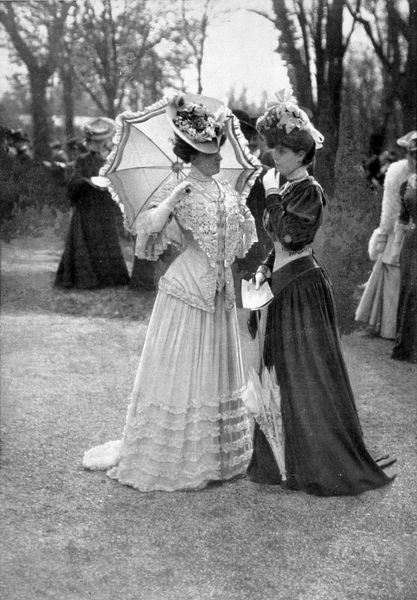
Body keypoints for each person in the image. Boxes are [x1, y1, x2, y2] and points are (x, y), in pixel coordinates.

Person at [83, 94, 258, 492]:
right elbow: (145, 229)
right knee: (182, 371)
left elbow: (244, 234)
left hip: (220, 295)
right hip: (186, 291)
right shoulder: (180, 190)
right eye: (206, 152)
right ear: (190, 154)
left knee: (215, 370)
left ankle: (217, 456)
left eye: (216, 150)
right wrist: (172, 201)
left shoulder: (227, 191)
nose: (215, 157)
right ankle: (180, 455)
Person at [246, 96, 395, 496]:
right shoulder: (288, 184)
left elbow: (294, 235)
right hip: (282, 282)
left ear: (301, 154)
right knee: (281, 371)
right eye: (273, 149)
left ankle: (319, 458)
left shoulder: (308, 189)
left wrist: (273, 196)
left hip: (302, 288)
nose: (273, 156)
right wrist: (263, 267)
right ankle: (284, 459)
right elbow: (278, 243)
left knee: (305, 372)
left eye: (280, 150)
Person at [55, 117, 130, 289]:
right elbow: (73, 183)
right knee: (88, 240)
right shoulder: (82, 160)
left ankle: (109, 279)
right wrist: (87, 182)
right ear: (89, 143)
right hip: (87, 207)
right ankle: (87, 280)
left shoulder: (111, 160)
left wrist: (111, 184)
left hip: (104, 207)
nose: (99, 145)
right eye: (94, 142)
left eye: (102, 142)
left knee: (107, 240)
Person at [355, 131, 417, 339]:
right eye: (413, 154)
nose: (415, 159)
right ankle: (390, 327)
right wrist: (383, 233)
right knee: (393, 275)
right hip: (399, 228)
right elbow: (390, 208)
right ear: (407, 153)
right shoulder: (397, 172)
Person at [391, 167, 417, 363]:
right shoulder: (409, 183)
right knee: (408, 290)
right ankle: (405, 346)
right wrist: (394, 249)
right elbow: (402, 217)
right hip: (412, 242)